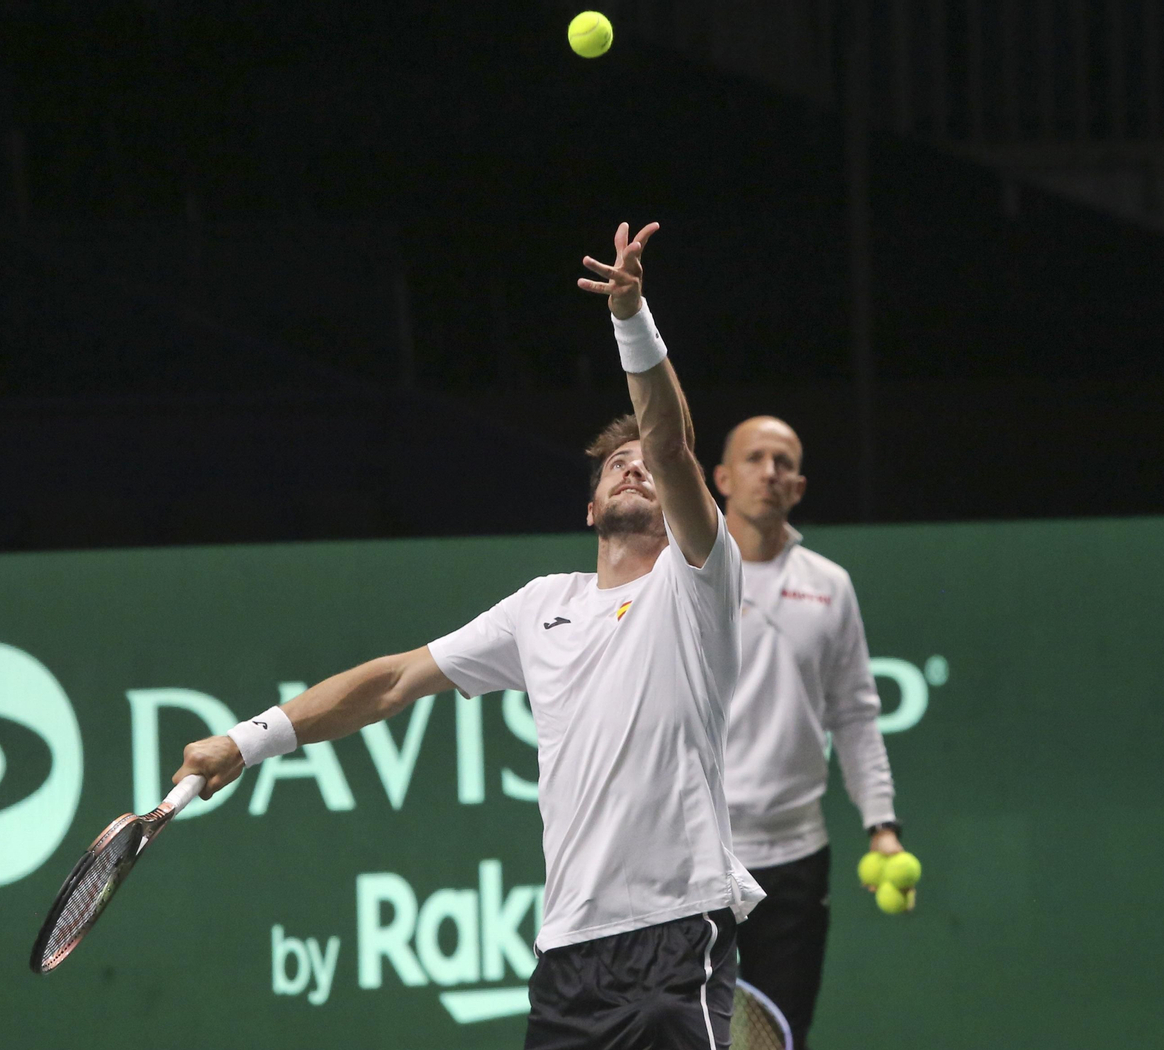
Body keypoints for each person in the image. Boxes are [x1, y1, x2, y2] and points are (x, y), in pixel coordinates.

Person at [175, 222, 761, 1050]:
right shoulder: (539, 607)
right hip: (567, 958)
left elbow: (669, 440)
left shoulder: (698, 582)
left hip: (675, 933)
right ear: (590, 507)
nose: (635, 466)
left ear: (678, 494)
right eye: (612, 464)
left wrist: (632, 319)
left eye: (649, 465)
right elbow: (391, 682)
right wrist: (244, 742)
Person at [712, 416, 904, 1050]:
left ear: (798, 486)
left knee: (779, 1039)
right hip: (698, 856)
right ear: (721, 479)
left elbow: (853, 714)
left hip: (795, 859)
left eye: (784, 461)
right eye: (755, 458)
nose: (770, 470)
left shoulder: (830, 587)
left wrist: (882, 826)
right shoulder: (685, 579)